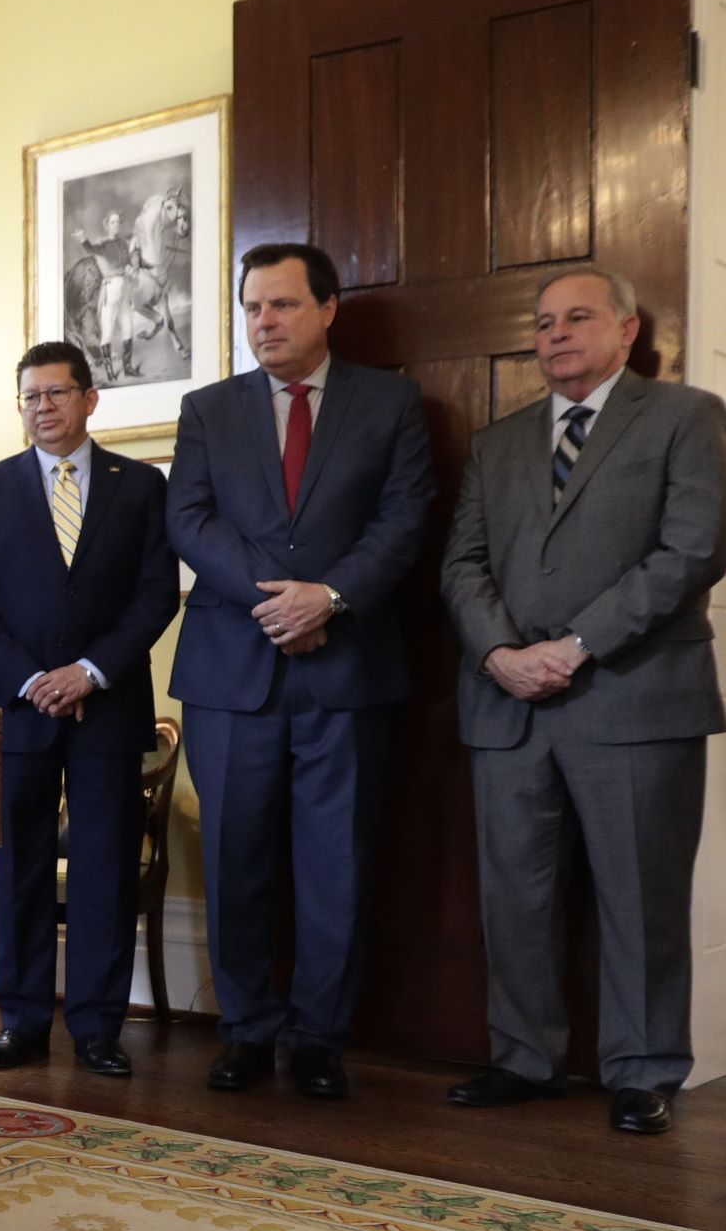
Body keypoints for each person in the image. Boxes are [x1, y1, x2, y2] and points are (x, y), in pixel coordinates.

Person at [440, 268, 726, 1136]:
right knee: (514, 894)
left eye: (576, 317)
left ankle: (642, 1071)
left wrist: (574, 646)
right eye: (542, 323)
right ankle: (523, 1058)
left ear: (626, 328)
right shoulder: (498, 444)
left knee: (640, 896)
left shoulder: (686, 418)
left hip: (633, 697)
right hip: (508, 704)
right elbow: (461, 564)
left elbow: (691, 551)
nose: (555, 334)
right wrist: (498, 652)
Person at [166, 242, 431, 1101]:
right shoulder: (207, 408)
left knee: (335, 865)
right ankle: (245, 1029)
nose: (263, 323)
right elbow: (190, 520)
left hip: (345, 671)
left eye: (280, 305)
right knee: (234, 860)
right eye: (251, 308)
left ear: (326, 309)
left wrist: (329, 596)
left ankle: (319, 1036)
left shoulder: (389, 404)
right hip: (231, 674)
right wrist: (275, 603)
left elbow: (403, 519)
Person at [0, 341, 178, 1076]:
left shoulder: (140, 486)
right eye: (29, 397)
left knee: (104, 868)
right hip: (17, 710)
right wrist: (31, 678)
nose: (41, 407)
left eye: (55, 393)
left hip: (106, 707)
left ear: (88, 399)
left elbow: (154, 594)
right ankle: (19, 1022)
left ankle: (96, 1028)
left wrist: (86, 672)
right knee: (18, 865)